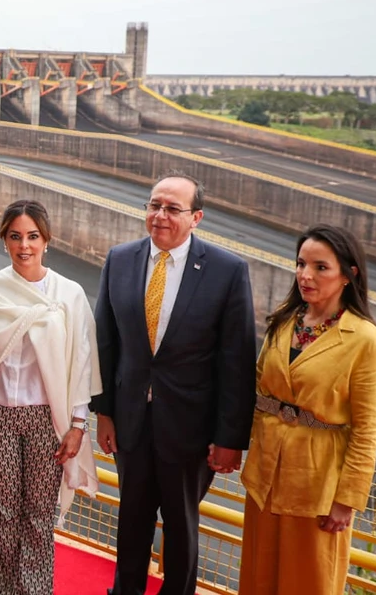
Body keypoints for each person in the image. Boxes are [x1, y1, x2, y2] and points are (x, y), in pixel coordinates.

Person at [91, 173, 257, 595]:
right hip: (130, 421)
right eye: (153, 205)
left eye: (172, 208)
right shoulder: (120, 258)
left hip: (191, 428)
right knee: (131, 519)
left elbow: (236, 362)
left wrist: (229, 439)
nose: (159, 216)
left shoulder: (227, 270)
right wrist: (104, 413)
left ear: (196, 217)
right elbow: (104, 344)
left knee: (181, 526)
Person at [0, 200, 103, 594]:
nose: (25, 246)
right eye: (15, 236)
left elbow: (81, 363)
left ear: (47, 240)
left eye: (33, 237)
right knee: (5, 513)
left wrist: (77, 425)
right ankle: (1, 590)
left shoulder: (69, 294)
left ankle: (35, 591)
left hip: (47, 420)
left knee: (39, 515)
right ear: (4, 239)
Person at [238, 224, 376, 594]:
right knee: (259, 578)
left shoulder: (367, 341)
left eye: (320, 267)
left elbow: (367, 429)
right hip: (265, 477)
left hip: (318, 487)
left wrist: (347, 500)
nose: (306, 275)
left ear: (348, 275)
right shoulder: (285, 322)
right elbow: (259, 391)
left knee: (308, 582)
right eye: (301, 264)